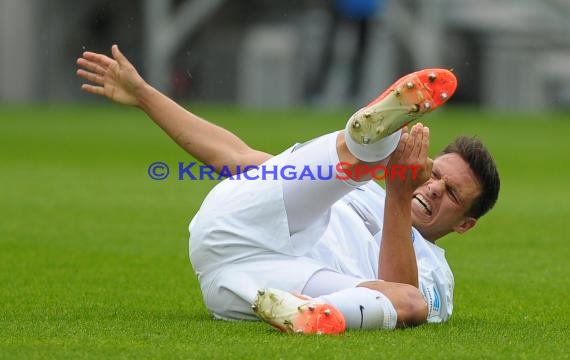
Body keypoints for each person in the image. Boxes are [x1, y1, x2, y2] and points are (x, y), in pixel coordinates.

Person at [76, 45, 500, 334]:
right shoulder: (365, 191)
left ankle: (322, 318)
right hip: (247, 223)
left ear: (465, 224)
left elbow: (404, 299)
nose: (436, 189)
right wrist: (144, 94)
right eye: (435, 174)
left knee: (410, 304)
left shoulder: (437, 274)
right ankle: (370, 140)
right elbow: (235, 157)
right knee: (349, 167)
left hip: (257, 284)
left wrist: (399, 195)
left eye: (453, 193)